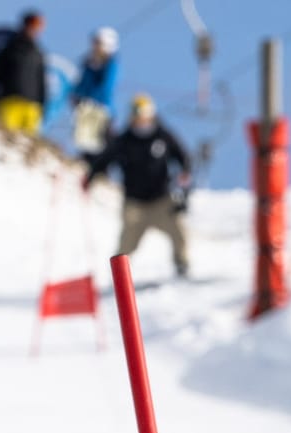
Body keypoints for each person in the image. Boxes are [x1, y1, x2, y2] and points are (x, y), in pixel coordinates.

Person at [84, 95, 192, 278]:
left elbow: (182, 156)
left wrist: (185, 171)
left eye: (143, 117)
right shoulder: (124, 140)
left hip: (161, 200)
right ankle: (120, 278)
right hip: (134, 204)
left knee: (179, 231)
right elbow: (104, 160)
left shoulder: (163, 136)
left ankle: (182, 266)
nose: (140, 122)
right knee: (125, 245)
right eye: (137, 118)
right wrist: (90, 178)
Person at [0, 10, 48, 136]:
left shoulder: (38, 52)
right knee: (6, 140)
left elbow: (41, 80)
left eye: (38, 27)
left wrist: (42, 104)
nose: (35, 30)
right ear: (25, 25)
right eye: (33, 25)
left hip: (32, 106)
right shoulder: (10, 48)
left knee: (29, 147)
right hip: (9, 102)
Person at [71, 26, 119, 152]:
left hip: (100, 109)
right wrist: (76, 95)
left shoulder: (110, 63)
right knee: (82, 141)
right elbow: (82, 82)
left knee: (97, 144)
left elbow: (106, 86)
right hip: (84, 108)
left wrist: (90, 98)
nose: (95, 46)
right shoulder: (88, 62)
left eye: (98, 43)